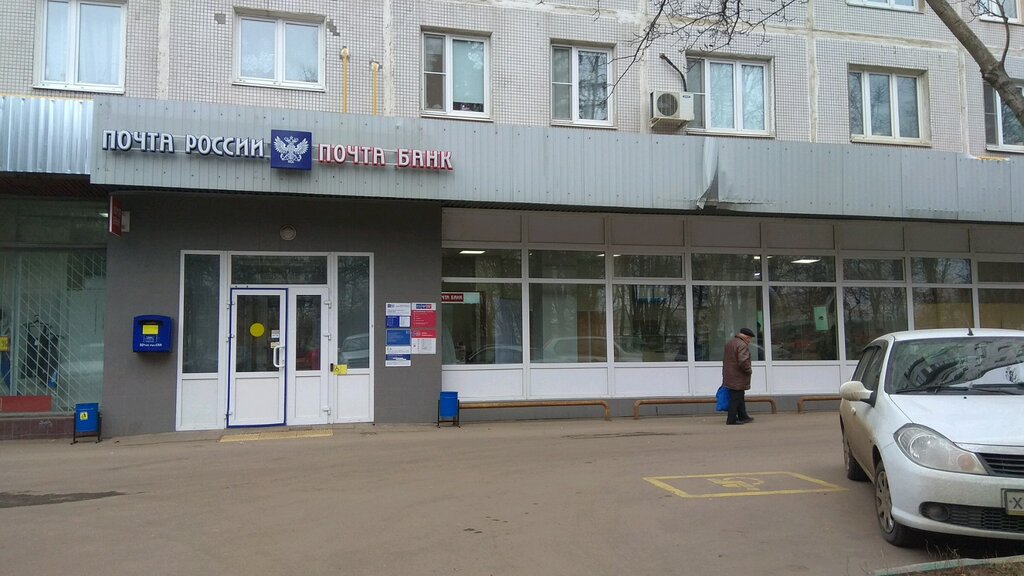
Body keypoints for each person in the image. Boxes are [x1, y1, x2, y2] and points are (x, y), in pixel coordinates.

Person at [722, 328, 755, 425]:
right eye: (750, 339)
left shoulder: (731, 343)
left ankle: (743, 416)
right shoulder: (742, 345)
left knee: (739, 396)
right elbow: (743, 361)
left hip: (730, 374)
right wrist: (748, 370)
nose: (750, 341)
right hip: (738, 375)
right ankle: (731, 419)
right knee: (736, 398)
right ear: (747, 337)